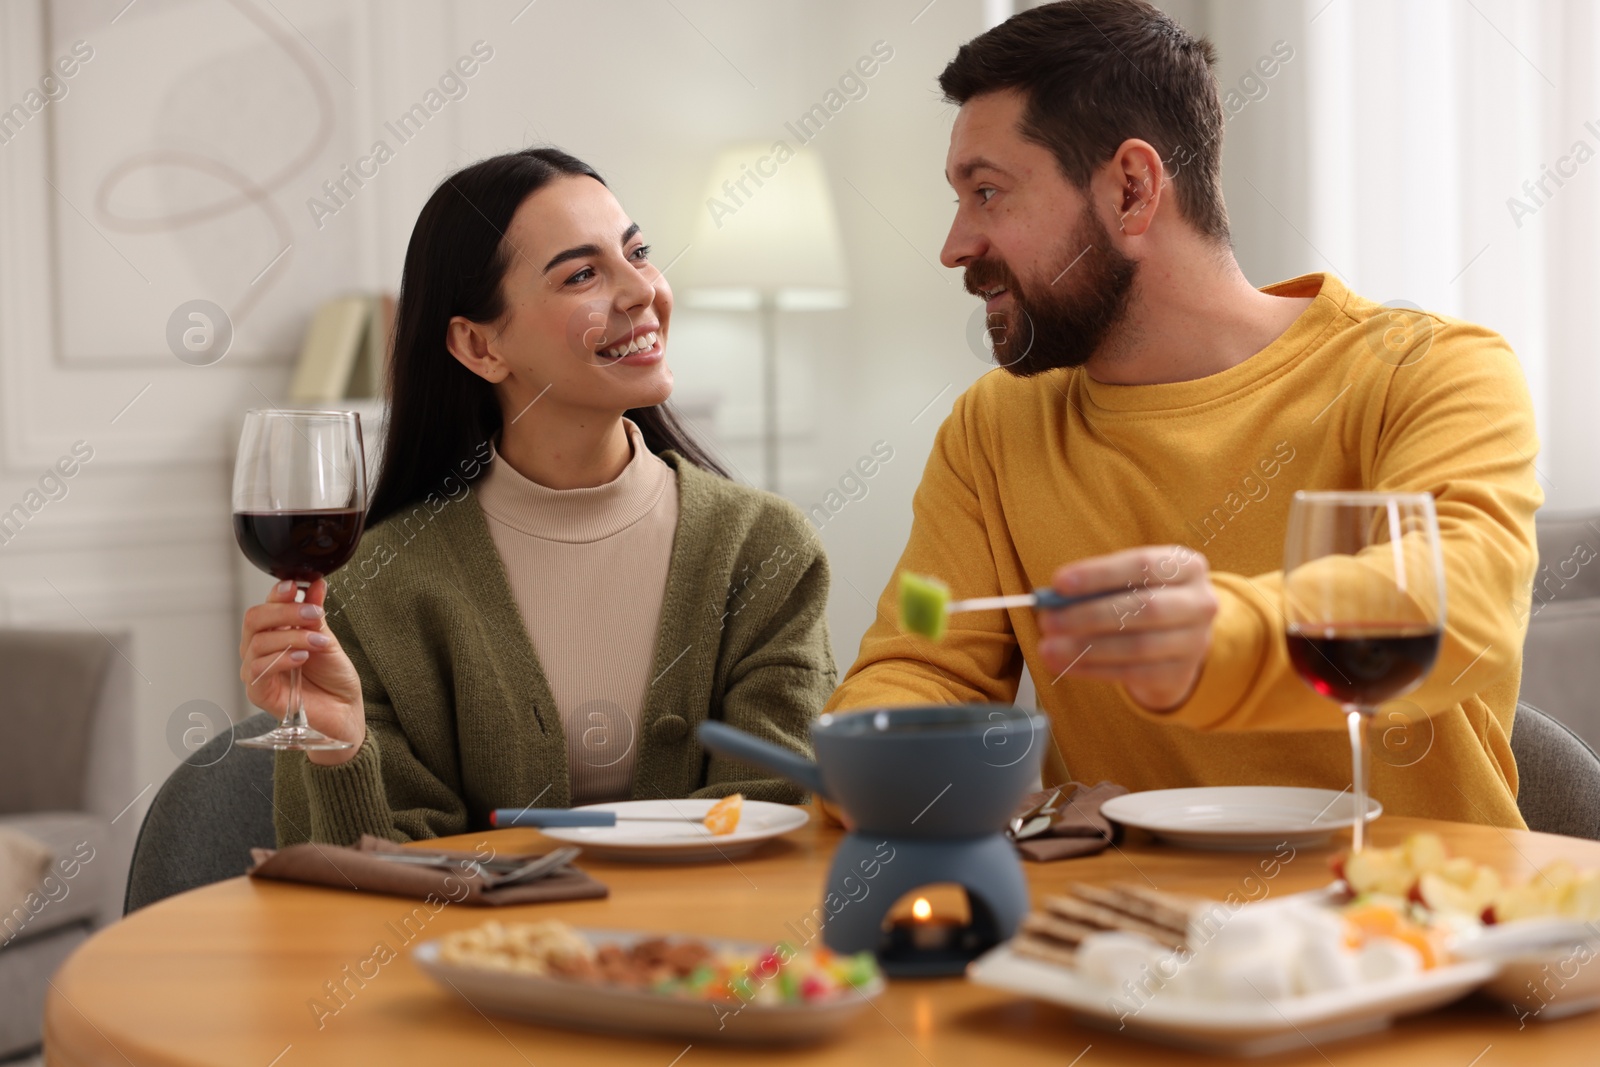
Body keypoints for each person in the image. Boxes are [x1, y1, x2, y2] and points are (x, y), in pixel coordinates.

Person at [825, 0, 1541, 828]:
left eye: (988, 192)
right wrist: (873, 755)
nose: (954, 244)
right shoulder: (994, 427)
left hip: (1418, 926)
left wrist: (1224, 634)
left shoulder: (1428, 372)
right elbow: (923, 669)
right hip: (1127, 940)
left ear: (1132, 190)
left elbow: (1468, 601)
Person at [239, 148, 835, 847]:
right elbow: (361, 893)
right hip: (463, 958)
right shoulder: (374, 587)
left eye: (637, 252)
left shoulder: (764, 550)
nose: (641, 290)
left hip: (713, 957)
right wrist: (339, 751)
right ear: (479, 345)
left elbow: (776, 815)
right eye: (582, 273)